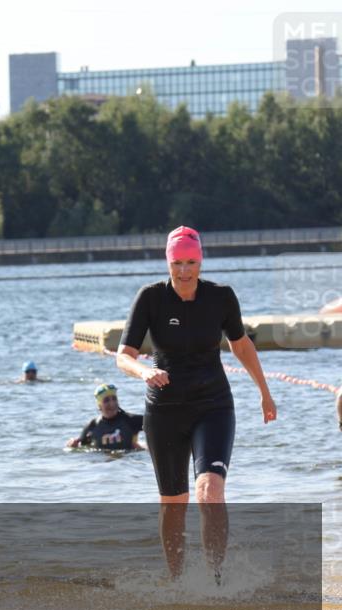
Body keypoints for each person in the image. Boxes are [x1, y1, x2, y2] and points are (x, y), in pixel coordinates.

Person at [116, 226, 276, 580]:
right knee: (174, 503)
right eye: (178, 262)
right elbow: (123, 355)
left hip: (213, 405)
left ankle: (214, 580)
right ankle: (177, 582)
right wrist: (143, 372)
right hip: (165, 410)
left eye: (191, 262)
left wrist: (264, 392)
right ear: (168, 262)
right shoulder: (151, 298)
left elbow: (241, 345)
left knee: (210, 490)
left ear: (200, 261)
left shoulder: (220, 297)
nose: (185, 270)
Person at [67, 383, 145, 450]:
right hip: (103, 465)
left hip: (128, 463)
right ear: (99, 405)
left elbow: (155, 424)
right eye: (106, 400)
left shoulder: (131, 420)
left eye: (114, 399)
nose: (112, 403)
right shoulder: (92, 426)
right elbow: (81, 448)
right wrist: (72, 445)